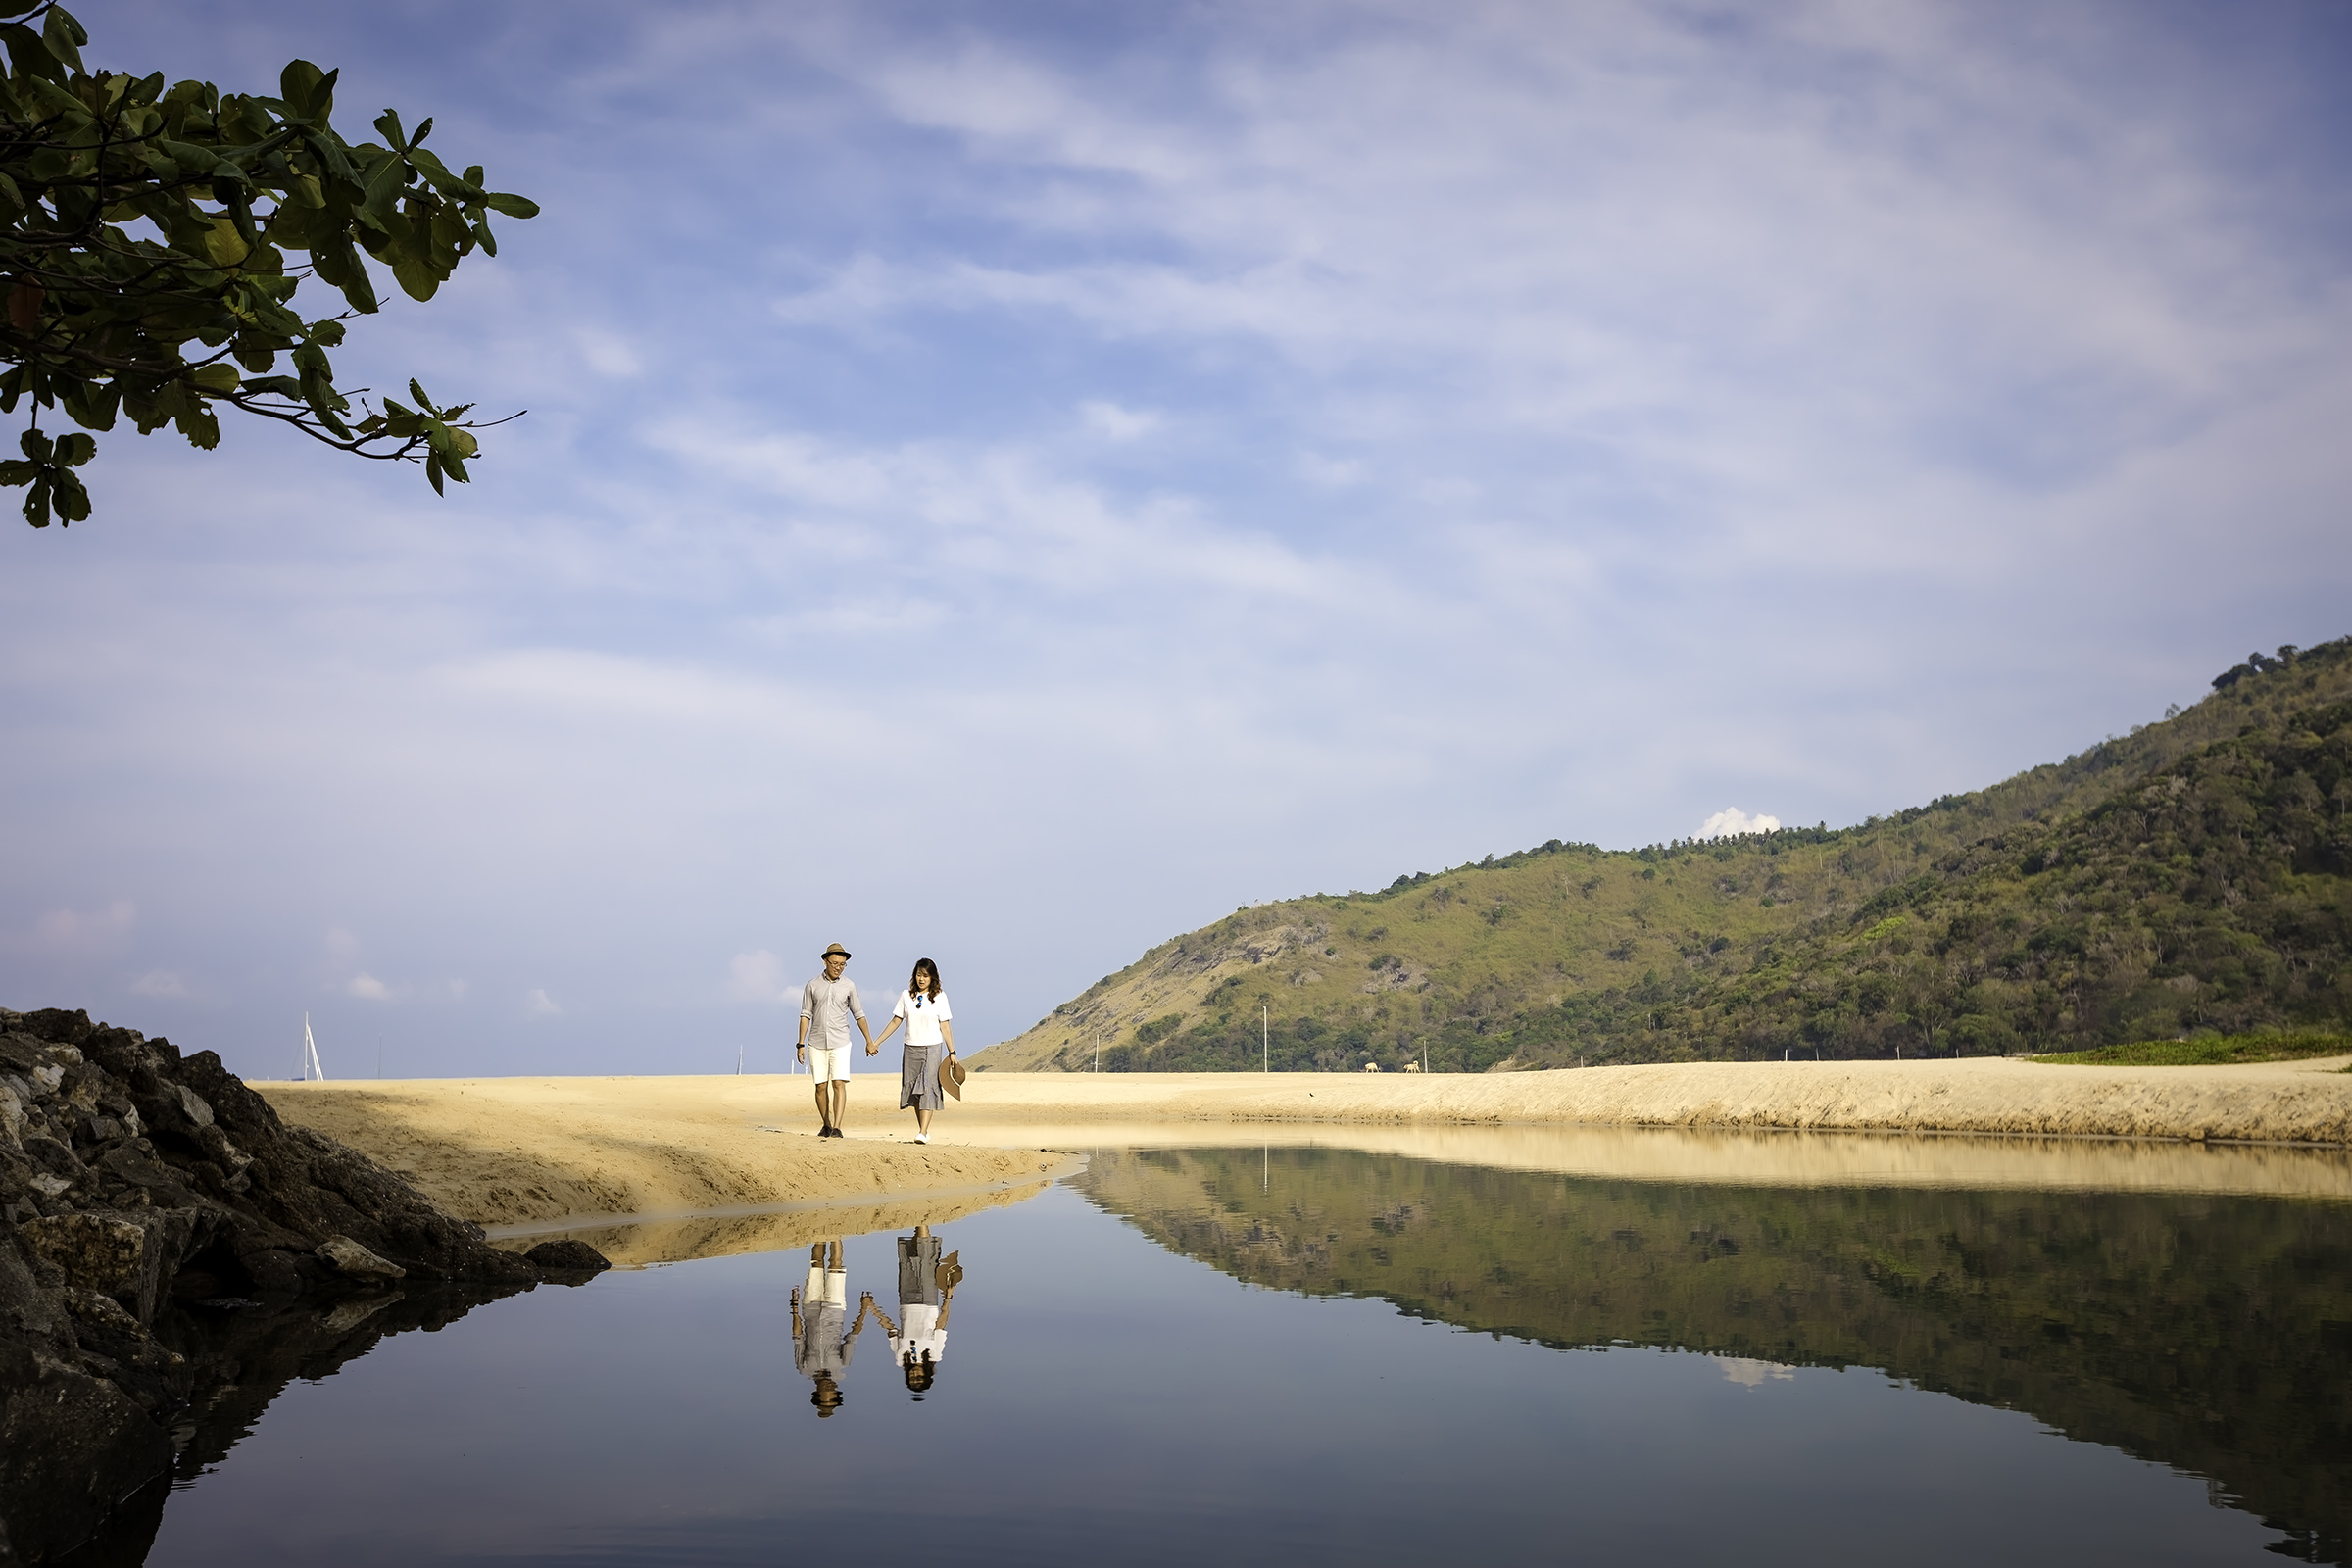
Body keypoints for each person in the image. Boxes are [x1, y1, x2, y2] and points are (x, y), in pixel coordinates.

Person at [868, 956, 956, 1143]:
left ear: (932, 978)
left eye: (925, 976)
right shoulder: (906, 996)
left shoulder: (940, 997)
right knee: (915, 1092)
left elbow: (945, 1026)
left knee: (928, 1088)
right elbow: (895, 1021)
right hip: (911, 1048)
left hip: (932, 1048)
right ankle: (923, 1130)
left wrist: (952, 1052)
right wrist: (877, 1042)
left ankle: (923, 1132)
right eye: (918, 975)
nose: (921, 979)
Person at [790, 1238, 880, 1417]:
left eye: (828, 1392)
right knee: (836, 1265)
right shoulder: (842, 1364)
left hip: (810, 1307)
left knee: (816, 1263)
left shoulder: (804, 1367)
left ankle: (819, 1231)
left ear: (817, 1393)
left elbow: (798, 1336)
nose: (832, 1387)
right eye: (835, 1392)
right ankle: (836, 1233)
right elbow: (853, 1335)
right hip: (835, 1308)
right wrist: (864, 1307)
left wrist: (794, 1307)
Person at [797, 942, 876, 1138]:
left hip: (841, 1041)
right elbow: (805, 1014)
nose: (837, 968)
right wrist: (800, 1043)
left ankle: (837, 1127)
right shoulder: (812, 985)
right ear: (825, 961)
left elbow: (859, 1014)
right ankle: (826, 1124)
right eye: (834, 964)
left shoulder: (849, 986)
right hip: (816, 1041)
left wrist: (869, 1040)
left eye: (841, 965)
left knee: (839, 1083)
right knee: (820, 1086)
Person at [871, 1223, 958, 1397]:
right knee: (926, 1261)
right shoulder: (934, 1355)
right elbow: (940, 1325)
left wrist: (872, 1308)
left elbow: (891, 1330)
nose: (915, 1375)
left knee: (908, 1262)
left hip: (906, 1301)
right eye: (919, 1378)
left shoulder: (900, 1358)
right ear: (926, 1375)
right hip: (928, 1302)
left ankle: (917, 1224)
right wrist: (948, 1298)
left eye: (913, 1379)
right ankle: (923, 1221)